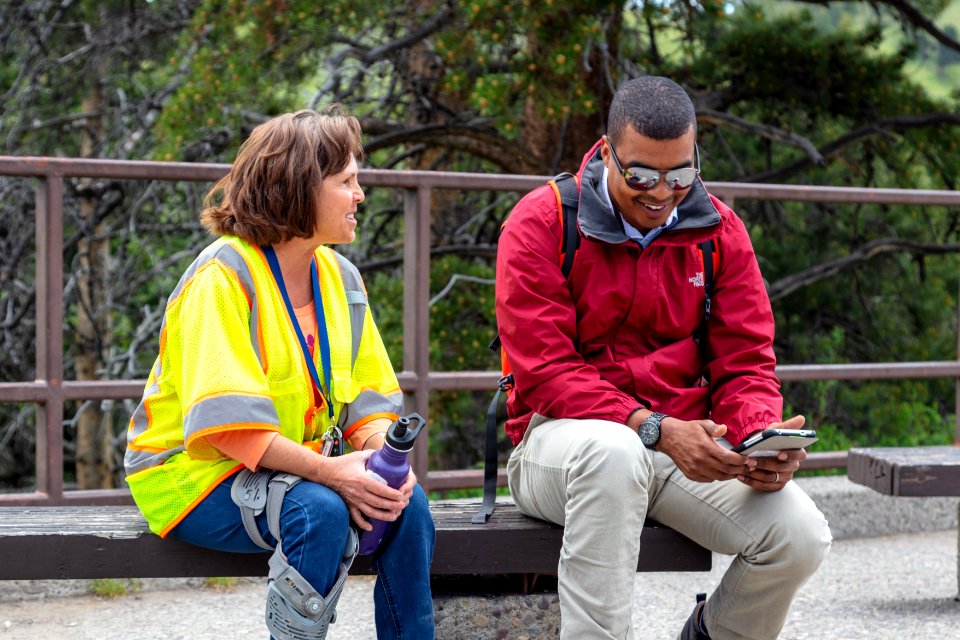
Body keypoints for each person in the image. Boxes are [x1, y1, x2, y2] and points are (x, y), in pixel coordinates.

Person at [495, 76, 832, 640]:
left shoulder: (720, 232)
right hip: (560, 443)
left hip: (678, 448)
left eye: (680, 174)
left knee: (800, 537)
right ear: (606, 153)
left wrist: (758, 439)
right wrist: (653, 427)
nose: (661, 191)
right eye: (641, 175)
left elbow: (746, 361)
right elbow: (547, 371)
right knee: (614, 451)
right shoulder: (542, 222)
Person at [123, 109, 435, 639]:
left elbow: (371, 404)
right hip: (191, 475)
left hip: (290, 468)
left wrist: (380, 462)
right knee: (319, 511)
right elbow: (232, 431)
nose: (360, 195)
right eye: (346, 182)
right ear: (299, 188)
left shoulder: (342, 277)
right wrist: (336, 473)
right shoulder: (221, 277)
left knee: (410, 504)